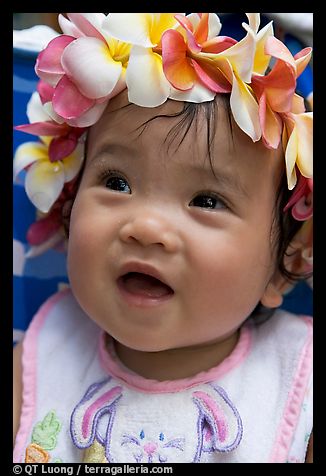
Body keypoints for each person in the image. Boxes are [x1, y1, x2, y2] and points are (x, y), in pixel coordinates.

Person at [13, 13, 313, 463]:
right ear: (69, 208)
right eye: (116, 182)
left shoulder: (298, 378)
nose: (147, 228)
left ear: (282, 270)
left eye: (207, 201)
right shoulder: (40, 359)